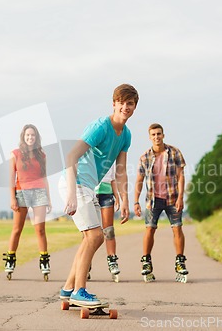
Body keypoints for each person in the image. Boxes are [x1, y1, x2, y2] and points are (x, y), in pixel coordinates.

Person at [59, 83, 138, 305]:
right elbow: (70, 156)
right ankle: (79, 291)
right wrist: (71, 194)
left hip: (88, 186)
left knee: (91, 239)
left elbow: (120, 171)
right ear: (114, 104)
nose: (125, 107)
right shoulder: (100, 127)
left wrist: (124, 201)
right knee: (95, 236)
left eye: (129, 104)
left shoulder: (126, 135)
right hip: (75, 183)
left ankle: (68, 289)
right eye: (121, 103)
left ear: (134, 107)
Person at [134, 123, 189, 283]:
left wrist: (180, 197)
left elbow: (180, 176)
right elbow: (139, 180)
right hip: (153, 199)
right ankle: (146, 261)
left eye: (159, 134)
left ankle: (180, 261)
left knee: (177, 228)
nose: (156, 137)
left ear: (163, 135)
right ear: (150, 137)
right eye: (153, 135)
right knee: (150, 229)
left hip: (172, 198)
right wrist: (136, 201)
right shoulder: (145, 157)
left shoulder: (174, 152)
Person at [3, 124, 52, 280]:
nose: (30, 138)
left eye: (33, 135)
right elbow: (11, 178)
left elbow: (44, 178)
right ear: (23, 137)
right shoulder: (15, 154)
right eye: (28, 135)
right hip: (21, 193)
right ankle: (10, 260)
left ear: (36, 138)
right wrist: (12, 198)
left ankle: (44, 261)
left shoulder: (41, 155)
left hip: (39, 193)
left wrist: (49, 199)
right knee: (17, 229)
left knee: (40, 230)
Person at [94, 163, 121, 282]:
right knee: (89, 231)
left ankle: (112, 260)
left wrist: (117, 197)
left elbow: (113, 179)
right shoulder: (90, 151)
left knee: (109, 230)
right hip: (91, 193)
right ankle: (87, 262)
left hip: (107, 194)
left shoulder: (111, 157)